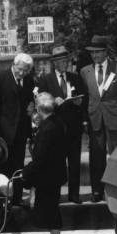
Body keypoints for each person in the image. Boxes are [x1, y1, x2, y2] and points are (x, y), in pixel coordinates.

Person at [79, 35, 117, 202]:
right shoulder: (84, 71)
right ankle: (97, 191)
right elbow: (85, 98)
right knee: (96, 157)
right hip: (94, 119)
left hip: (115, 118)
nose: (94, 56)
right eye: (92, 53)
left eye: (97, 52)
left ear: (105, 52)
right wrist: (84, 120)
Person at [38, 46, 87, 204]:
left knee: (74, 163)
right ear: (54, 63)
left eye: (66, 60)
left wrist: (79, 102)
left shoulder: (76, 77)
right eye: (60, 61)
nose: (64, 64)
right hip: (55, 128)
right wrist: (53, 102)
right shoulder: (46, 80)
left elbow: (84, 99)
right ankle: (55, 195)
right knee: (55, 164)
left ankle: (74, 195)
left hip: (73, 127)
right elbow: (40, 102)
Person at [22, 93, 67, 234]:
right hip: (55, 174)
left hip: (48, 177)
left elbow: (39, 159)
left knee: (51, 212)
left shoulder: (46, 129)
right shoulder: (56, 122)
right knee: (51, 210)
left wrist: (25, 173)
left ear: (40, 109)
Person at [0, 53, 35, 205]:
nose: (22, 73)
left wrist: (31, 106)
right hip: (2, 132)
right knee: (2, 167)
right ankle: (2, 200)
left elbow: (29, 100)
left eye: (25, 71)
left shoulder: (28, 80)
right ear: (13, 65)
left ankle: (17, 198)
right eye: (20, 69)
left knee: (18, 166)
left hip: (21, 131)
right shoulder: (0, 78)